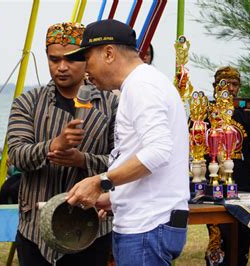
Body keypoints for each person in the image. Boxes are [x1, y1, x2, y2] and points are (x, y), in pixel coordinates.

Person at [65, 19, 190, 265]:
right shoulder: (142, 83)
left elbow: (158, 151)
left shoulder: (141, 86)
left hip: (147, 228)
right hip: (148, 224)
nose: (85, 70)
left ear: (108, 53)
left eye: (87, 59)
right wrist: (115, 197)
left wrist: (101, 182)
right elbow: (145, 155)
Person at [7, 22, 118, 265]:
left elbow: (122, 163)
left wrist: (83, 160)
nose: (62, 67)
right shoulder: (27, 103)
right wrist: (51, 146)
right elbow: (16, 154)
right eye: (54, 60)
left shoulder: (111, 105)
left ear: (87, 58)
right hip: (35, 229)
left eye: (71, 59)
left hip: (92, 228)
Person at [205, 66, 250, 266]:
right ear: (216, 86)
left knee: (242, 239)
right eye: (226, 83)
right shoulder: (206, 112)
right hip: (213, 187)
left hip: (241, 186)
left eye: (235, 84)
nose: (231, 88)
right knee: (218, 240)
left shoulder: (245, 113)